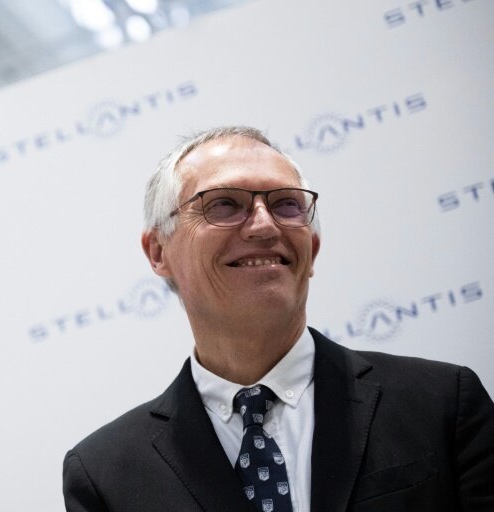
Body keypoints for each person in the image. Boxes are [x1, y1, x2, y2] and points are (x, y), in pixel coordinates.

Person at [62, 126, 494, 512]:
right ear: (158, 252)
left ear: (313, 249)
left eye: (287, 204)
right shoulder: (105, 475)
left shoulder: (442, 404)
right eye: (224, 204)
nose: (265, 227)